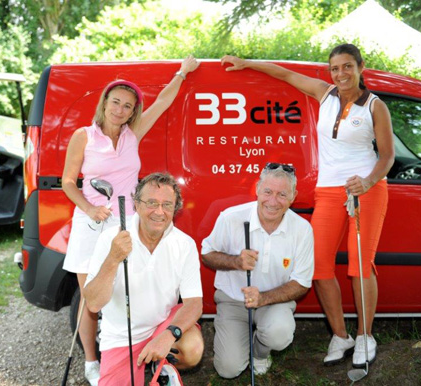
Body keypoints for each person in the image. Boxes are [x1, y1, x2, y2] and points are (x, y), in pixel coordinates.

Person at [221, 43, 394, 368]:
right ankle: (340, 334)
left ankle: (365, 336)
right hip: (329, 189)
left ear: (360, 67)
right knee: (319, 265)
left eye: (347, 67)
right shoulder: (325, 93)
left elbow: (387, 156)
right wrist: (246, 63)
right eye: (335, 68)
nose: (340, 74)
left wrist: (367, 182)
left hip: (367, 190)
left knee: (359, 265)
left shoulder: (374, 106)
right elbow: (285, 74)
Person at [61, 57, 199, 385]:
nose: (120, 110)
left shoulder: (132, 133)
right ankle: (92, 361)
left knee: (133, 291)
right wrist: (90, 208)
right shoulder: (84, 136)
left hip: (126, 221)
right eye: (115, 102)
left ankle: (147, 351)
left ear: (133, 111)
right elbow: (68, 181)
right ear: (104, 103)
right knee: (91, 299)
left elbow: (164, 101)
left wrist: (183, 72)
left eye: (127, 105)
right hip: (92, 223)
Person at [84, 172, 204, 385]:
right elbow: (93, 304)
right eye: (151, 203)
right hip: (121, 337)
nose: (159, 212)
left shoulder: (184, 244)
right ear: (136, 205)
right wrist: (113, 258)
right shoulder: (110, 239)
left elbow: (194, 304)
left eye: (167, 205)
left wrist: (168, 336)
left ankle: (164, 366)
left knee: (192, 348)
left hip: (163, 324)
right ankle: (154, 363)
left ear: (175, 209)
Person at [201, 163, 314, 378]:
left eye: (282, 194)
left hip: (274, 301)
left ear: (293, 196)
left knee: (279, 334)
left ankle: (260, 353)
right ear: (257, 190)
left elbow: (302, 282)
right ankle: (242, 342)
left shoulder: (302, 229)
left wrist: (263, 298)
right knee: (228, 370)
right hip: (233, 300)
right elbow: (207, 254)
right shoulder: (231, 217)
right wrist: (236, 262)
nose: (273, 201)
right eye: (268, 192)